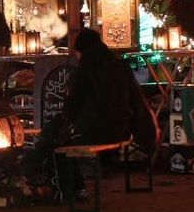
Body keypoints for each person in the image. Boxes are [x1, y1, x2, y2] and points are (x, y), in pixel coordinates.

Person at [22, 27, 150, 196]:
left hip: (98, 132)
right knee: (56, 134)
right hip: (122, 130)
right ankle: (69, 184)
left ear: (81, 51)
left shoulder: (87, 71)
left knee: (56, 140)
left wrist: (64, 122)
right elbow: (136, 101)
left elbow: (72, 107)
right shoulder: (120, 66)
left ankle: (46, 178)